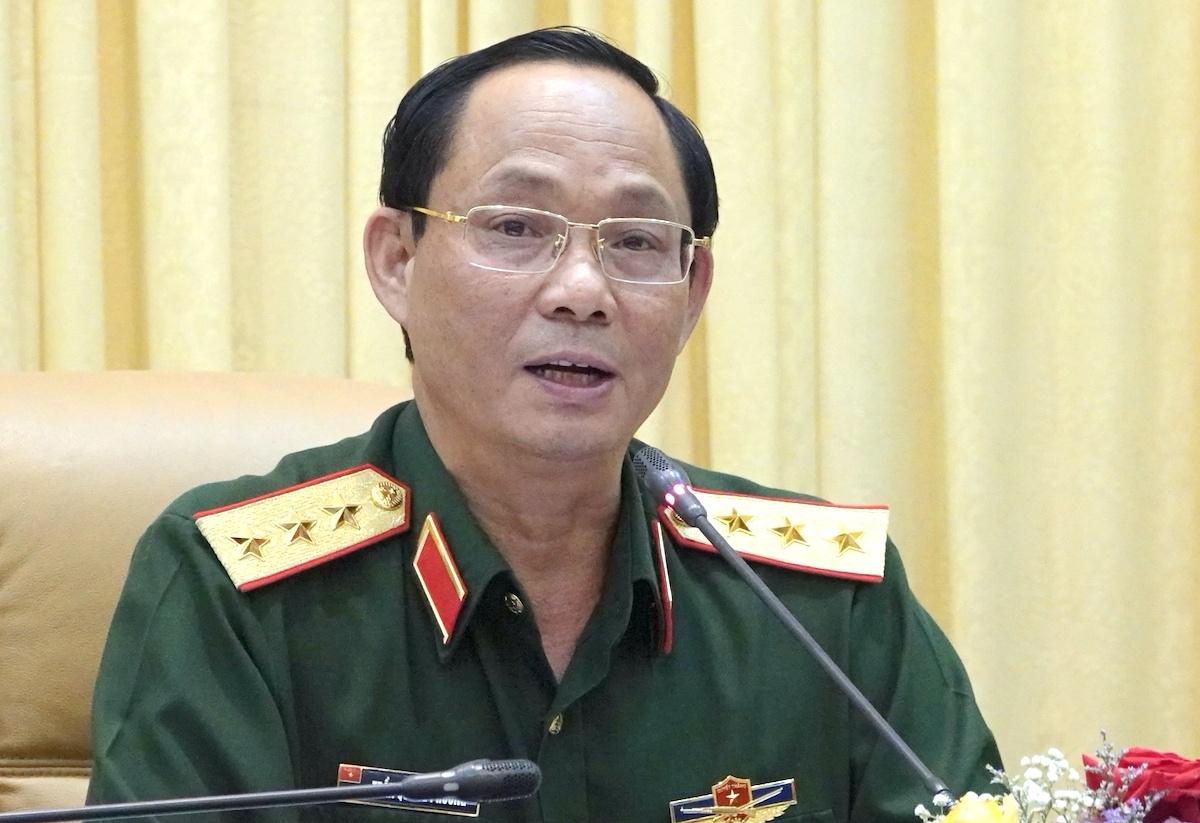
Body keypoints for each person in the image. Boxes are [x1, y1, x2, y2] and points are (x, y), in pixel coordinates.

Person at [87, 27, 1001, 823]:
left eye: (636, 241)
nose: (582, 291)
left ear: (692, 293)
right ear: (397, 259)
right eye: (516, 228)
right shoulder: (234, 591)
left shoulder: (822, 607)